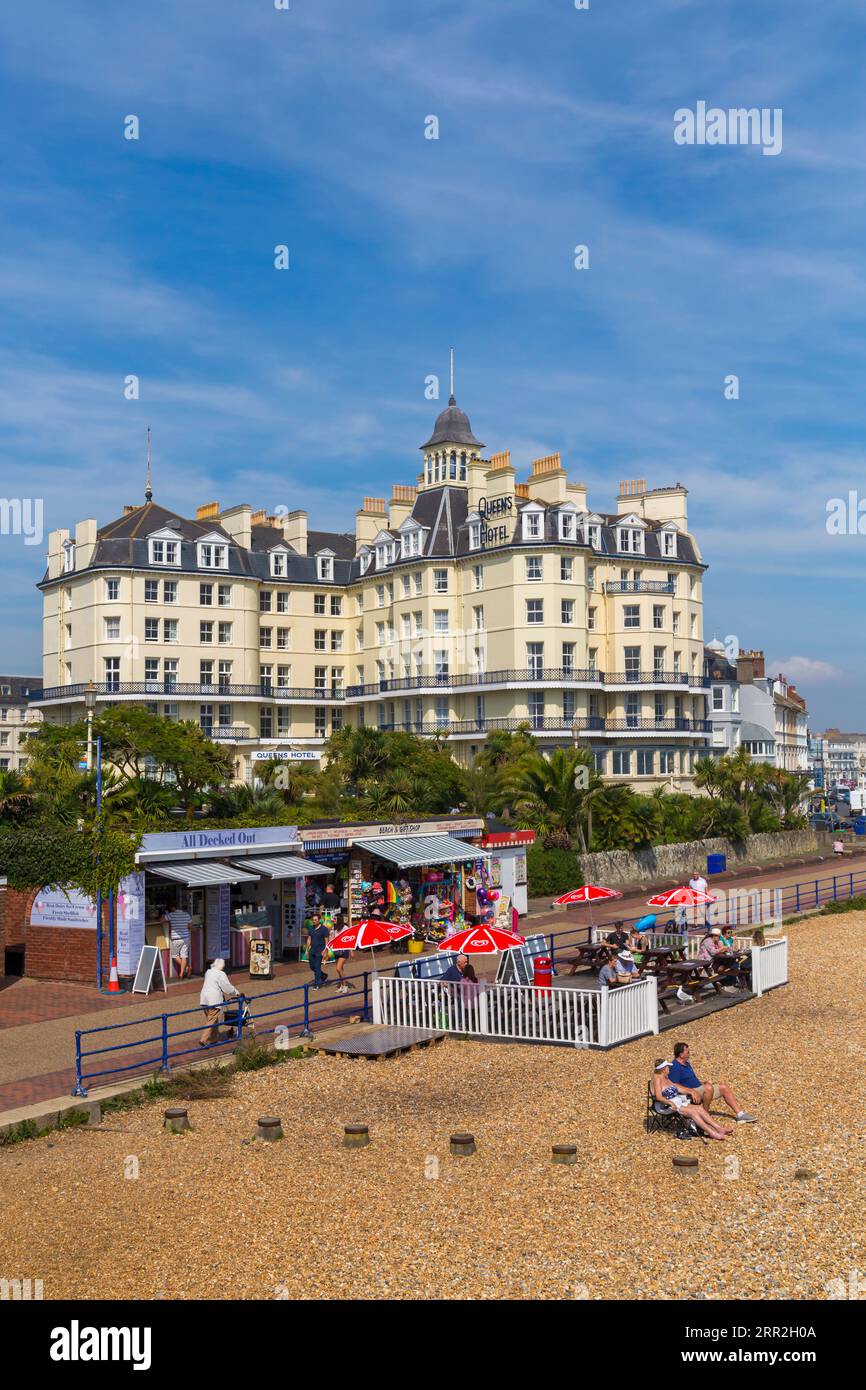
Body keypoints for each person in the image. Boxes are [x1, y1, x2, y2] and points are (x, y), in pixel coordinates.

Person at [668, 1041, 757, 1122]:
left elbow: (690, 1080)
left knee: (723, 1087)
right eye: (687, 1052)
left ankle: (740, 1114)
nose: (689, 1054)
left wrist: (702, 1083)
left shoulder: (686, 1064)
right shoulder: (675, 1066)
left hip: (698, 1089)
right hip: (688, 1094)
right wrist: (691, 1091)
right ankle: (705, 1114)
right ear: (681, 1054)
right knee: (708, 1088)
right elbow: (674, 1085)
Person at [652, 1060, 733, 1140]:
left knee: (699, 1108)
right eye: (667, 1067)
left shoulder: (666, 1077)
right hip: (666, 1106)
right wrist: (669, 1102)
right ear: (663, 1069)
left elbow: (677, 1088)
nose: (669, 1068)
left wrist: (691, 1091)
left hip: (677, 1101)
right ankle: (712, 1133)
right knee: (693, 1113)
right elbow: (658, 1096)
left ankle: (719, 1128)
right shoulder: (657, 1079)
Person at [199, 958, 240, 1047]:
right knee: (212, 1019)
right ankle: (203, 1039)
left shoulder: (208, 972)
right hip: (213, 999)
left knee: (212, 1019)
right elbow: (227, 987)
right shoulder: (221, 974)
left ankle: (214, 1039)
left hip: (204, 998)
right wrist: (237, 993)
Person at [163, 904, 192, 980]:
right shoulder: (186, 915)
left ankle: (186, 968)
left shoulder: (171, 915)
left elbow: (161, 920)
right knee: (184, 956)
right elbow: (189, 926)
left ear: (173, 907)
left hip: (176, 939)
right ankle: (182, 973)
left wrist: (164, 914)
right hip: (186, 938)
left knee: (175, 956)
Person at [306, 913, 330, 990]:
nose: (314, 921)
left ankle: (317, 983)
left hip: (320, 951)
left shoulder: (324, 929)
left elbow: (327, 941)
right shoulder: (311, 928)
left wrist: (325, 950)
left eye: (315, 920)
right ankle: (323, 975)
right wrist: (307, 949)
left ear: (319, 920)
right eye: (313, 920)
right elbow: (309, 939)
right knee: (312, 966)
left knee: (317, 967)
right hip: (312, 950)